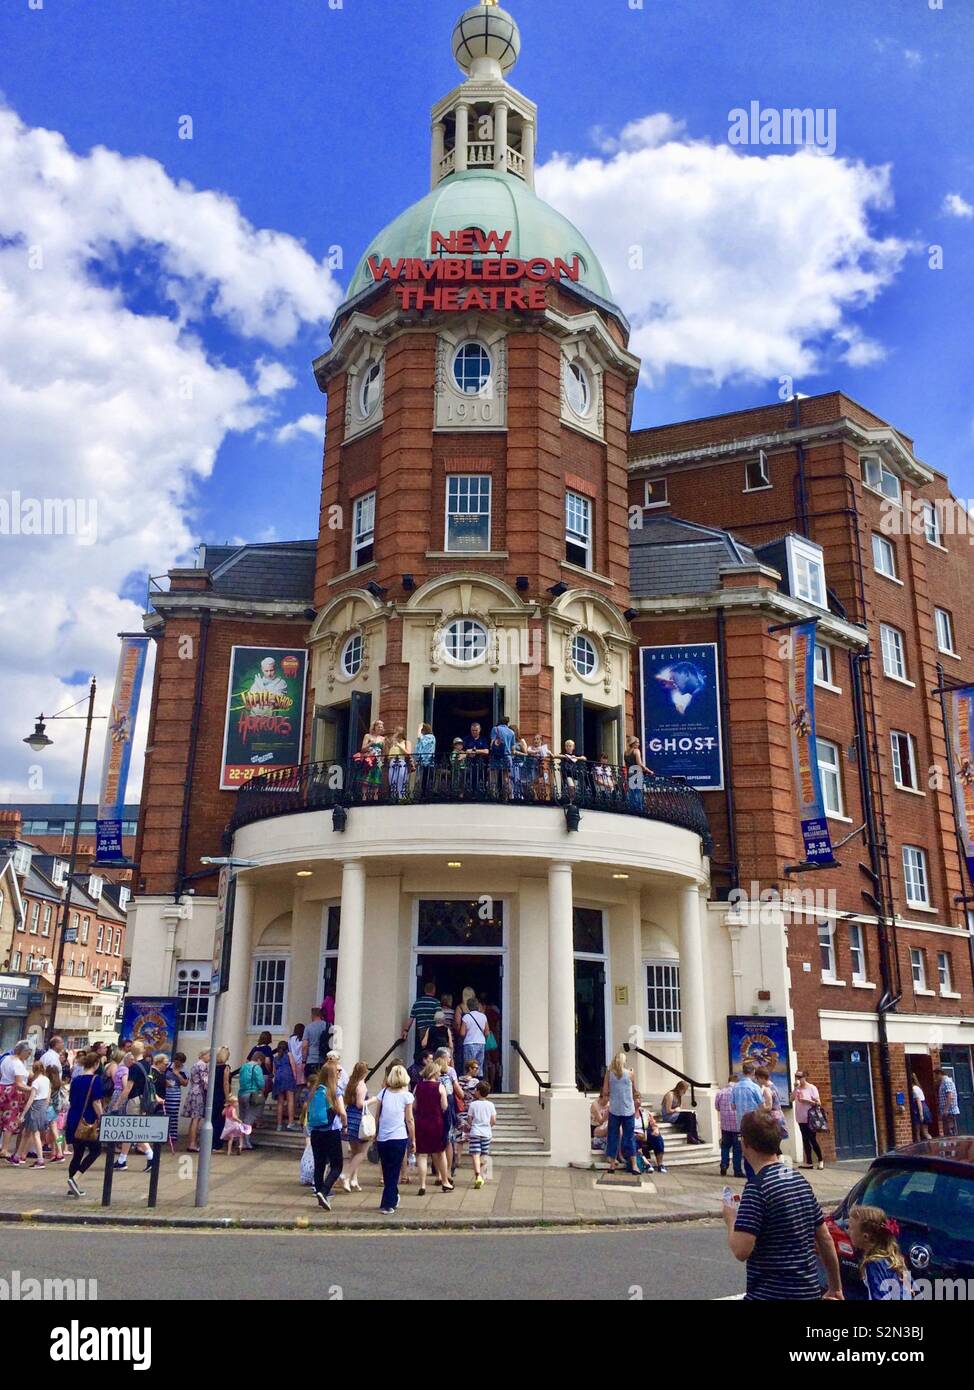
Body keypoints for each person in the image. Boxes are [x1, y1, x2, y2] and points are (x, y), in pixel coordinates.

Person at [724, 1109, 843, 1301]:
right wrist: (835, 1286)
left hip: (771, 1294)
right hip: (808, 1292)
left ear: (745, 1143)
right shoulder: (799, 1179)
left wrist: (730, 1218)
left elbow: (741, 1250)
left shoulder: (757, 1188)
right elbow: (825, 1238)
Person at [374, 1063, 415, 1215]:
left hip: (383, 1137)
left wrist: (375, 1133)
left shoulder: (383, 1093)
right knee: (394, 1172)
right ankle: (387, 1204)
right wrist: (413, 1139)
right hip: (398, 1137)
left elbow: (377, 1116)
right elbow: (409, 1120)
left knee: (387, 1170)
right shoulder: (407, 1096)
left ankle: (393, 1197)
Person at [306, 1060, 347, 1211]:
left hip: (316, 1131)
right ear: (332, 1073)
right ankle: (324, 1192)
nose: (340, 1073)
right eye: (338, 1071)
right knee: (337, 1165)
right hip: (331, 1131)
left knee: (319, 1164)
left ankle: (319, 1193)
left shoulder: (315, 1089)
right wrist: (345, 1125)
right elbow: (342, 1112)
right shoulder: (334, 1090)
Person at [848, 1205, 913, 1300]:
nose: (848, 1231)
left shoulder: (873, 1264)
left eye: (850, 1228)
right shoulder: (895, 1258)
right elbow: (913, 1290)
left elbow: (878, 1296)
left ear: (865, 1237)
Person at [65, 1052, 106, 1199]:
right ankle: (76, 1178)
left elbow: (72, 1099)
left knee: (77, 1153)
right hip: (88, 1120)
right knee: (95, 1150)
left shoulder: (76, 1080)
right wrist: (102, 1118)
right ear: (96, 1064)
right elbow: (96, 1102)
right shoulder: (96, 1080)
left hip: (74, 1119)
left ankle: (72, 1188)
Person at [413, 1060, 451, 1195]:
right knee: (440, 1153)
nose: (440, 1074)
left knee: (422, 1155)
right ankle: (445, 1182)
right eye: (439, 1072)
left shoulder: (418, 1086)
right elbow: (445, 1106)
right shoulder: (440, 1087)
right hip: (436, 1123)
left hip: (421, 1123)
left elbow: (414, 1106)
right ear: (434, 1072)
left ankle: (422, 1185)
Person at [600, 1051, 641, 1174]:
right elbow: (635, 1090)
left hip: (614, 1110)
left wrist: (612, 1094)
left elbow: (605, 1091)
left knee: (613, 1136)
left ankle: (612, 1165)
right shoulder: (630, 1073)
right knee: (629, 1137)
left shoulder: (609, 1074)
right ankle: (634, 1165)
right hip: (628, 1109)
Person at [340, 1060, 371, 1193]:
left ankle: (354, 1179)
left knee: (354, 1151)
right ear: (365, 1072)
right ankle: (347, 1175)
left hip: (350, 1116)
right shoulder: (361, 1085)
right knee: (362, 1152)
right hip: (359, 1119)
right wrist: (372, 1100)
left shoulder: (350, 1084)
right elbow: (360, 1104)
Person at [731, 1063, 766, 1180]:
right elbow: (761, 1105)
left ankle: (749, 1176)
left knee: (746, 1149)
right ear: (753, 1072)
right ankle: (756, 1175)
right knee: (756, 1149)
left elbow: (733, 1106)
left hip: (741, 1122)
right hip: (754, 1121)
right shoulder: (754, 1087)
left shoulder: (735, 1087)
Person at [14, 1060, 52, 1166]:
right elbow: (48, 1095)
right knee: (27, 1132)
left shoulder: (36, 1082)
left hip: (34, 1107)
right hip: (42, 1106)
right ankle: (17, 1156)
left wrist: (22, 1114)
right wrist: (45, 1106)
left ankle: (40, 1160)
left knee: (35, 1134)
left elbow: (31, 1099)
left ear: (34, 1070)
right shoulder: (46, 1080)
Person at [0, 1041, 33, 1160]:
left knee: (1, 1119)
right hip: (12, 1093)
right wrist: (33, 1090)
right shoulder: (17, 1064)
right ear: (22, 1051)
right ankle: (4, 1149)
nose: (29, 1055)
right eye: (28, 1052)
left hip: (2, 1089)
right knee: (10, 1121)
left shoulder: (6, 1059)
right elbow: (19, 1084)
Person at [402, 979, 440, 1065]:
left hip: (422, 1030)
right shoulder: (436, 1002)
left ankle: (422, 1068)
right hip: (433, 1030)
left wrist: (405, 1031)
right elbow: (440, 1020)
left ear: (425, 990)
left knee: (424, 1052)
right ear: (434, 990)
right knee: (433, 1052)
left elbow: (411, 1018)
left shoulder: (418, 1002)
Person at [466, 1081, 496, 1189]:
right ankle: (482, 1176)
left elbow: (469, 1119)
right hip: (486, 1133)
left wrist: (471, 1125)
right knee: (483, 1155)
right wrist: (488, 1126)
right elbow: (493, 1120)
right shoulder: (491, 1105)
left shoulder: (473, 1105)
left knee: (475, 1154)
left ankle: (477, 1175)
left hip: (475, 1132)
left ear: (478, 1092)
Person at [793, 1069, 825, 1169]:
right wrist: (795, 1089)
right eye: (796, 1077)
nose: (798, 1079)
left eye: (800, 1077)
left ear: (805, 1077)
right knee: (805, 1139)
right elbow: (791, 1099)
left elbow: (818, 1103)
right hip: (800, 1117)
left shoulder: (812, 1088)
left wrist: (807, 1101)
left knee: (812, 1139)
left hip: (811, 1118)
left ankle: (820, 1160)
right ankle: (809, 1162)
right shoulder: (797, 1088)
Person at [715, 1073, 744, 1178]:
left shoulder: (720, 1092)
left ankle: (723, 1165)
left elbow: (717, 1107)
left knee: (725, 1146)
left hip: (725, 1125)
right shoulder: (738, 1092)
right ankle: (737, 1170)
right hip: (737, 1126)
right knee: (737, 1149)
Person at [237, 1052, 266, 1147]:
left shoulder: (243, 1066)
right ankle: (245, 1142)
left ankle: (239, 1140)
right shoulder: (257, 1068)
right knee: (249, 1119)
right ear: (258, 1060)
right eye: (261, 1061)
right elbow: (261, 1083)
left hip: (241, 1093)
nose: (261, 1064)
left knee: (242, 1117)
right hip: (252, 1094)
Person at [185, 1049, 209, 1153]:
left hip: (193, 1091)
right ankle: (193, 1144)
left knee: (193, 1119)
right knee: (196, 1118)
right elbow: (206, 1082)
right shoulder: (202, 1065)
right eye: (209, 1055)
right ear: (204, 1055)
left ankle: (191, 1142)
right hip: (199, 1093)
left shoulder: (195, 1064)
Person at [459, 996, 490, 1074]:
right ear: (478, 1005)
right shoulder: (483, 1016)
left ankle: (469, 1082)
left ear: (468, 1006)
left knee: (469, 1065)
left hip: (469, 1043)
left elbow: (462, 1033)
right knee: (479, 1066)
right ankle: (478, 1082)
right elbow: (487, 1032)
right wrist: (484, 1039)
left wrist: (464, 1038)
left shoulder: (466, 1017)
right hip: (481, 1043)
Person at [210, 1046, 232, 1152]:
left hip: (211, 1094)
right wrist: (228, 1098)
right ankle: (217, 1144)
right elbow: (226, 1083)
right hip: (220, 1095)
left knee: (212, 1119)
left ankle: (210, 1142)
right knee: (219, 1120)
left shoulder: (212, 1067)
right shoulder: (226, 1068)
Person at [164, 1053, 189, 1147]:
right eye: (176, 1062)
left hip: (175, 1094)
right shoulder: (168, 1066)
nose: (177, 1064)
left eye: (179, 1063)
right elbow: (162, 1075)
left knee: (173, 1115)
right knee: (165, 1113)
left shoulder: (184, 1070)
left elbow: (185, 1083)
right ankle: (165, 1135)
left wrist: (177, 1074)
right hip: (166, 1093)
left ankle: (173, 1136)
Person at [488, 715, 516, 799]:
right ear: (507, 723)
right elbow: (513, 749)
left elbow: (492, 743)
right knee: (506, 778)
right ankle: (508, 797)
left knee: (493, 777)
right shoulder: (511, 732)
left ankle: (493, 796)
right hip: (507, 756)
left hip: (496, 756)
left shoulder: (495, 729)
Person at [359, 719, 386, 801]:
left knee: (376, 778)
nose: (380, 728)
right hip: (369, 759)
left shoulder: (383, 739)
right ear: (374, 727)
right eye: (379, 727)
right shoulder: (367, 736)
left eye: (382, 727)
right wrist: (370, 743)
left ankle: (375, 796)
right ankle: (364, 796)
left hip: (378, 760)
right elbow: (362, 749)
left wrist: (382, 761)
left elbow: (384, 751)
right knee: (366, 778)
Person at [219, 1089, 251, 1157]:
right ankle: (240, 1146)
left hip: (228, 1124)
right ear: (232, 1103)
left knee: (231, 1138)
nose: (237, 1104)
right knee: (241, 1134)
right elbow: (233, 1117)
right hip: (234, 1124)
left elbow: (222, 1114)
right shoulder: (233, 1109)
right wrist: (239, 1120)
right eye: (236, 1102)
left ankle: (229, 1151)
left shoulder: (226, 1109)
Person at [463, 721, 490, 795]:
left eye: (476, 730)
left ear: (480, 730)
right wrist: (469, 752)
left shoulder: (483, 739)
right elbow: (463, 751)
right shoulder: (466, 739)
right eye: (472, 730)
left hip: (481, 764)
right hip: (469, 764)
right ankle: (470, 794)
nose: (474, 732)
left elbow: (486, 751)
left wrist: (474, 751)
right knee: (469, 779)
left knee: (482, 779)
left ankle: (482, 794)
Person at [935, 1066, 960, 1137]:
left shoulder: (947, 1081)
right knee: (947, 1132)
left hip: (950, 1112)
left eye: (936, 1075)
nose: (935, 1078)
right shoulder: (943, 1082)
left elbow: (950, 1096)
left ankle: (953, 1147)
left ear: (940, 1073)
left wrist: (946, 1110)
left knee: (950, 1132)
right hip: (947, 1112)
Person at [414, 722, 437, 797]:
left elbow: (420, 738)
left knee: (426, 779)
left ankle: (426, 794)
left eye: (421, 730)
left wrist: (419, 727)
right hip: (422, 762)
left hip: (427, 761)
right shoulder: (425, 737)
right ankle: (421, 794)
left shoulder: (430, 737)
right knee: (422, 778)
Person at [910, 1072, 932, 1141]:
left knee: (918, 1132)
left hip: (919, 1109)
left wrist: (921, 1114)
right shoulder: (918, 1087)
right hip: (925, 1107)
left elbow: (918, 1101)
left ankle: (919, 1147)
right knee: (925, 1132)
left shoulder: (914, 1088)